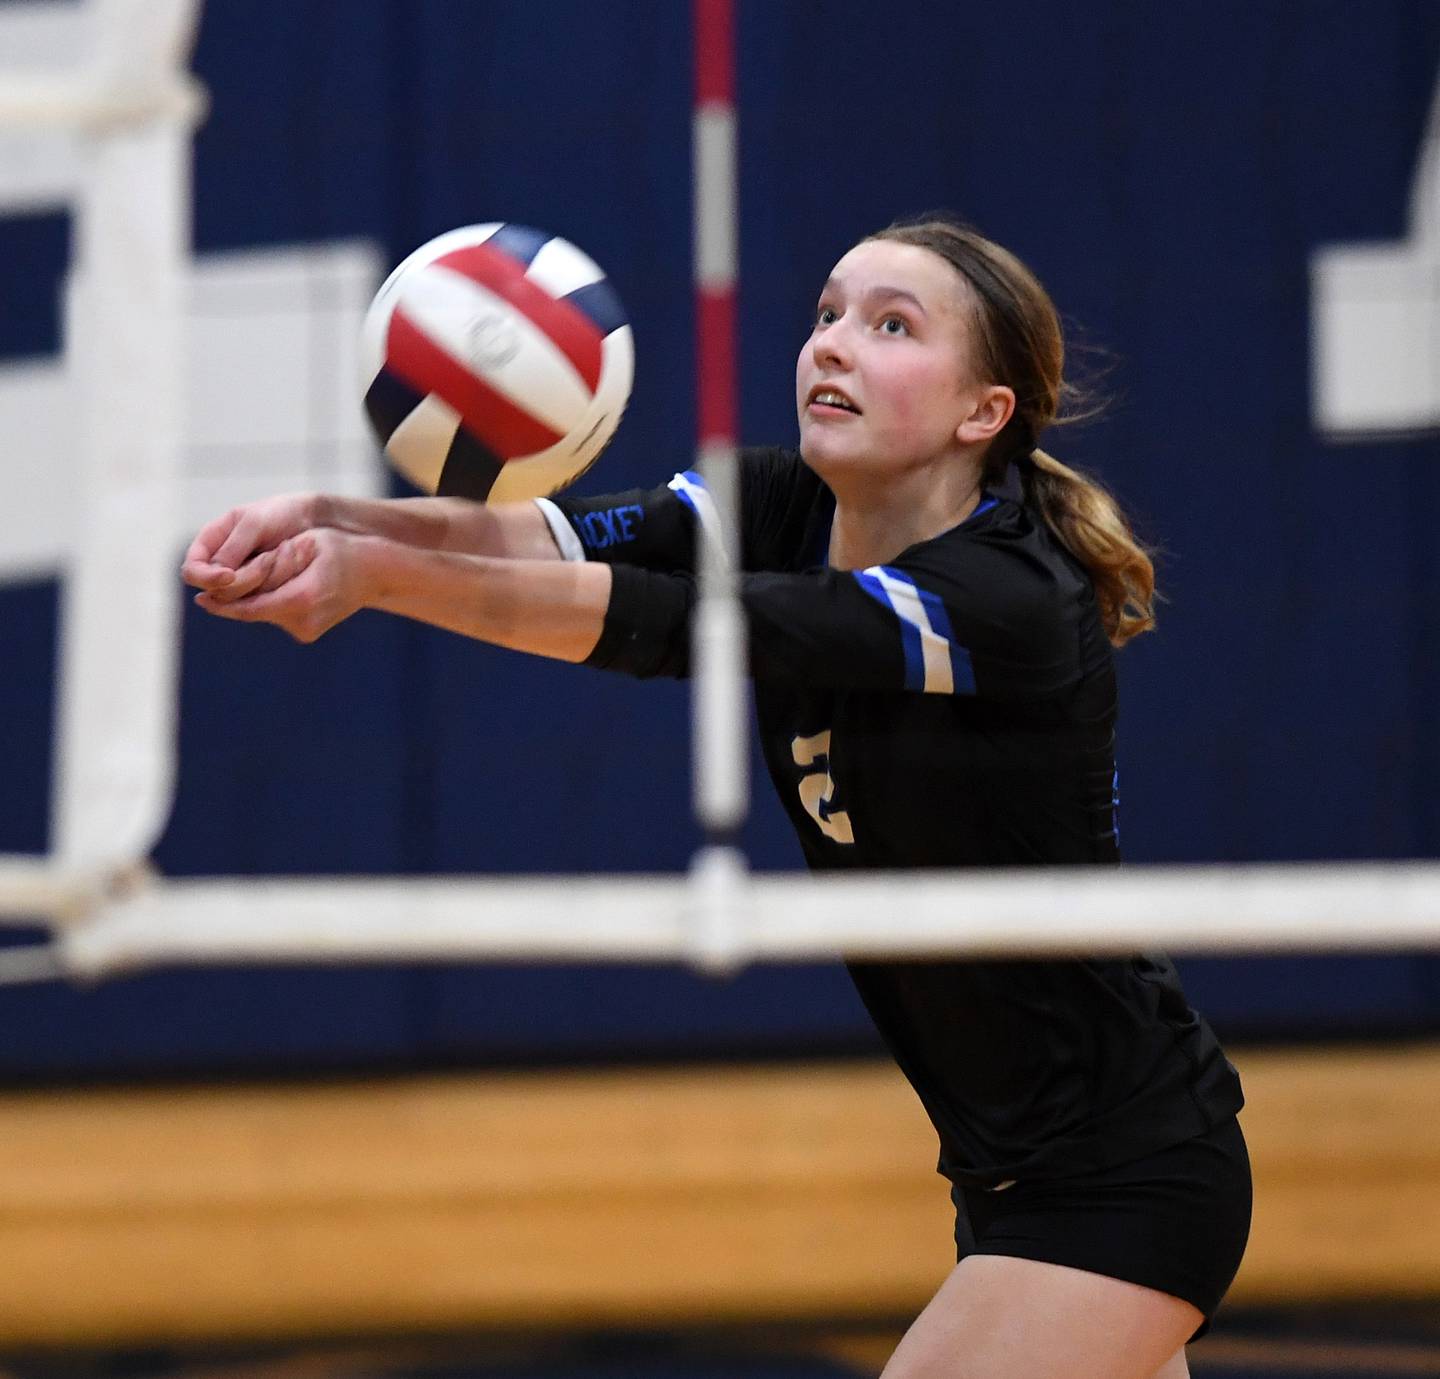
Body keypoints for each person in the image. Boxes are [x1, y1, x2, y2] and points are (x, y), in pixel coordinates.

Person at [182, 216, 1250, 1379]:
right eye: (830, 312)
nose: (835, 345)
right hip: (1004, 1175)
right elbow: (544, 542)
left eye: (893, 326)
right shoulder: (782, 505)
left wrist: (380, 578)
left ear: (982, 412)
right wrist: (341, 521)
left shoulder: (1003, 596)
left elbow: (669, 622)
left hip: (1124, 1172)